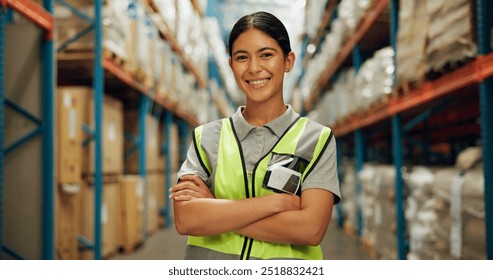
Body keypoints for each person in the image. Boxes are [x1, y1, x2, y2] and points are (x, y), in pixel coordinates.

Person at [169, 11, 341, 260]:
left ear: (288, 61)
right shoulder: (205, 137)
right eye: (242, 57)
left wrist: (216, 207)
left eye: (266, 55)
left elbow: (311, 229)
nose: (254, 68)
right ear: (231, 65)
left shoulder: (316, 140)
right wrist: (275, 204)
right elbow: (186, 220)